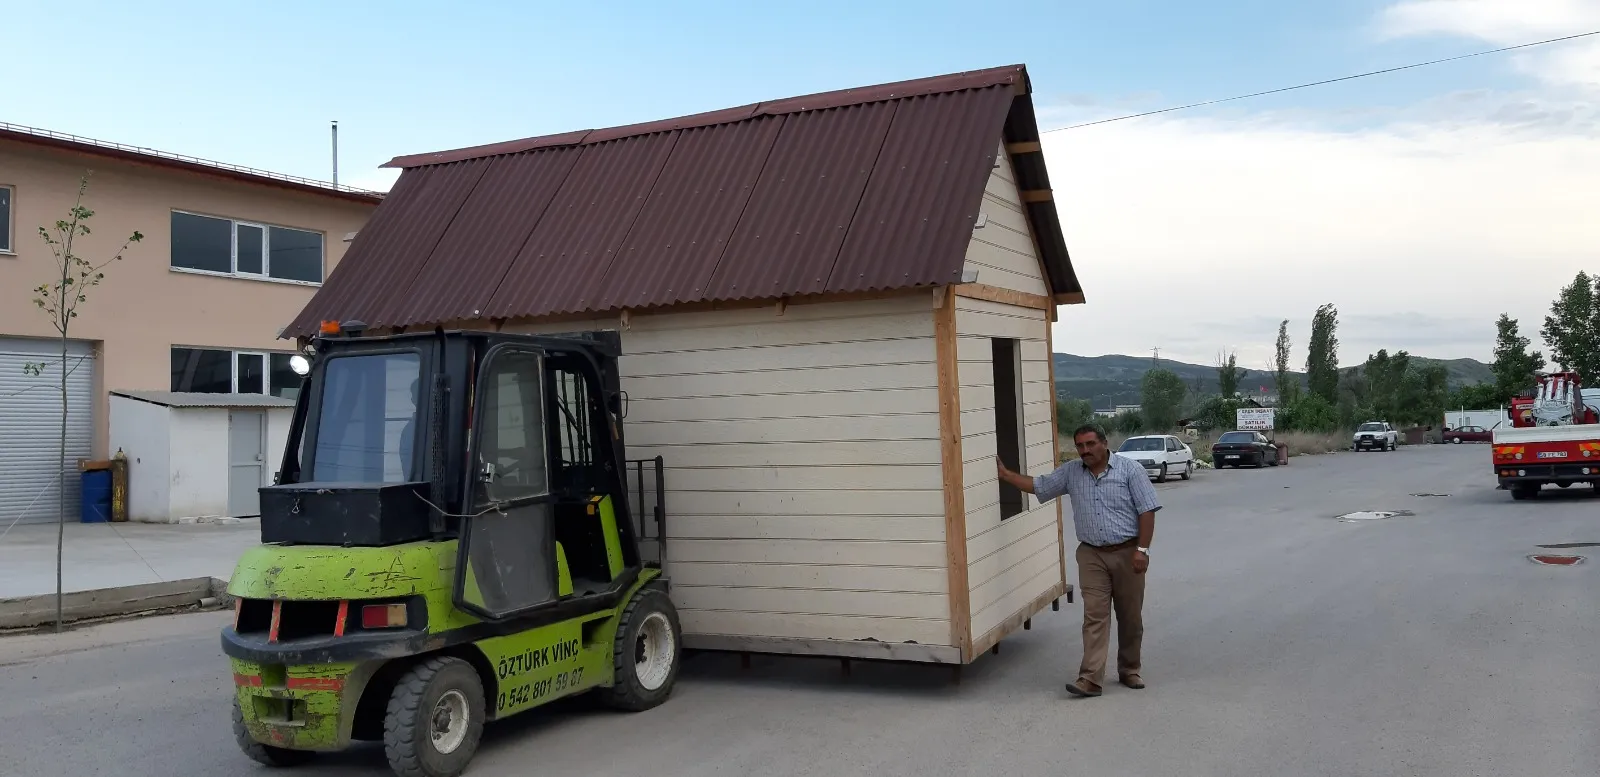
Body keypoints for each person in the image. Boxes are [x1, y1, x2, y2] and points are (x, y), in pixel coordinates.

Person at [997, 423, 1161, 698]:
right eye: (1080, 446)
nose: (1085, 450)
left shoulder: (1130, 470)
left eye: (1090, 444)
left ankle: (1130, 669)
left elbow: (1147, 510)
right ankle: (1090, 678)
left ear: (1104, 443)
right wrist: (1006, 475)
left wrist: (1142, 550)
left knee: (1130, 616)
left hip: (1127, 552)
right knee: (1094, 616)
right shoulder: (1071, 472)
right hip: (1091, 555)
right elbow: (1040, 486)